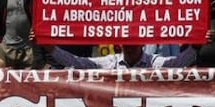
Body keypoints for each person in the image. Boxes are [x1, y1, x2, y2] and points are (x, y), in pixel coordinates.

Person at [50, 43, 198, 70]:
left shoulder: (153, 62)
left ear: (142, 44)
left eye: (134, 44)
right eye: (127, 45)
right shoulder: (110, 62)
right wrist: (49, 48)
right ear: (120, 45)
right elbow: (78, 63)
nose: (130, 48)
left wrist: (197, 47)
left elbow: (178, 63)